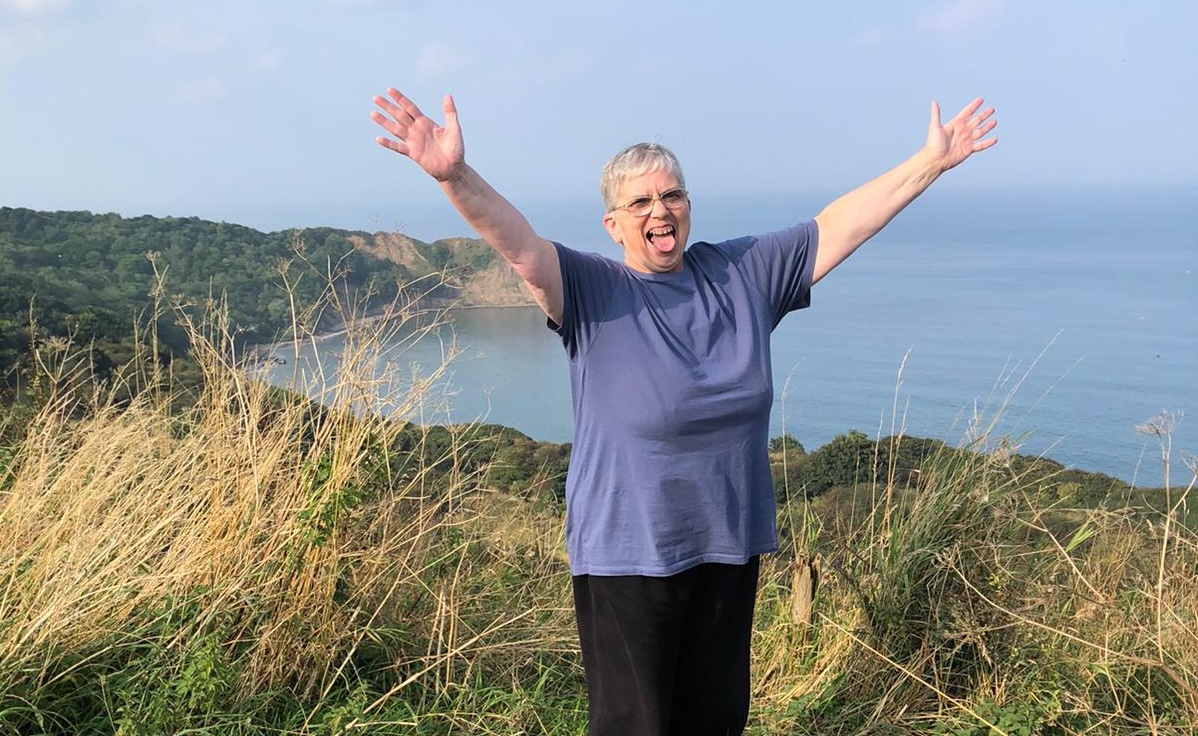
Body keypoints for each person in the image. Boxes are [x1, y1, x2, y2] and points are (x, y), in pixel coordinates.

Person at [371, 88, 997, 736]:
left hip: (727, 546)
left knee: (715, 720)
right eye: (640, 201)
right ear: (613, 225)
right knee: (635, 726)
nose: (660, 210)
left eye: (671, 195)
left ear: (689, 207)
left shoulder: (740, 275)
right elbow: (522, 250)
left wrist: (932, 162)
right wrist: (454, 176)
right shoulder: (594, 291)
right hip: (628, 554)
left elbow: (838, 226)